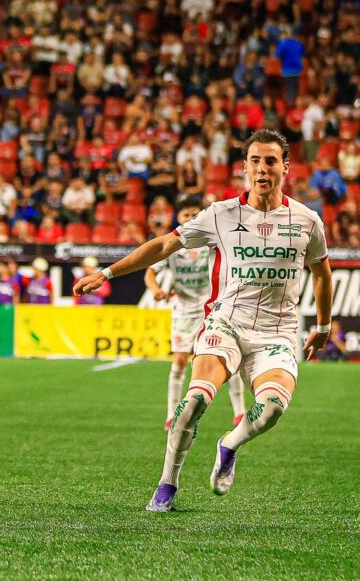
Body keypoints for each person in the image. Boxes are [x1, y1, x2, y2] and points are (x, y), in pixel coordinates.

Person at [74, 130, 332, 513]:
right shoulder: (221, 214)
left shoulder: (307, 221)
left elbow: (322, 273)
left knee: (272, 408)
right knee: (194, 400)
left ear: (286, 167)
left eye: (271, 161)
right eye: (255, 161)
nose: (263, 169)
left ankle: (229, 444)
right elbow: (164, 244)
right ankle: (166, 483)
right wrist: (108, 273)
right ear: (244, 168)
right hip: (225, 323)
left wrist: (324, 328)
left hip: (276, 332)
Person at [144, 194, 247, 431]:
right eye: (185, 215)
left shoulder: (211, 240)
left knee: (225, 358)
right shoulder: (171, 245)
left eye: (194, 214)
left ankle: (239, 413)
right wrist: (156, 289)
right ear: (177, 217)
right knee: (180, 360)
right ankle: (171, 414)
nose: (190, 218)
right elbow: (150, 273)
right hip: (184, 311)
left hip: (214, 308)